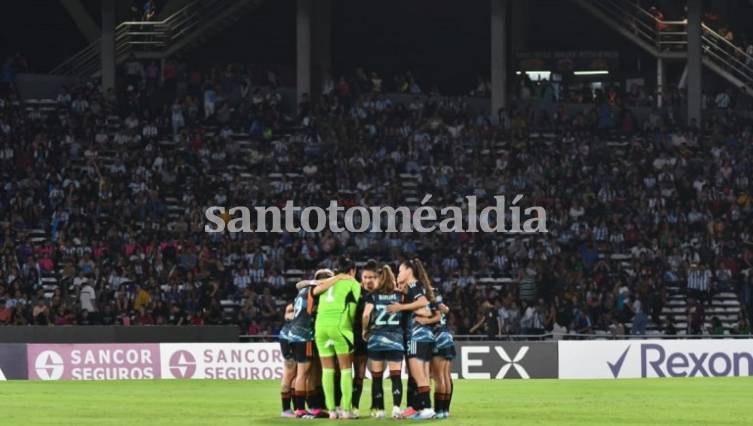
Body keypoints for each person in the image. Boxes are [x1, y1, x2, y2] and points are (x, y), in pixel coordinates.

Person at [311, 257, 362, 419]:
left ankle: (332, 410)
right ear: (352, 270)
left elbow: (313, 292)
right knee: (346, 369)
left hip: (320, 327)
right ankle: (345, 410)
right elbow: (352, 310)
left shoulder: (328, 282)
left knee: (327, 369)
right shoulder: (353, 283)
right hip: (339, 327)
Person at [387, 258, 437, 420]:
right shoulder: (411, 289)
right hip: (418, 334)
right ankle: (418, 407)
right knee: (417, 374)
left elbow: (423, 304)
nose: (398, 274)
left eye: (400, 270)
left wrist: (400, 307)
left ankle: (427, 408)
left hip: (417, 334)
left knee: (418, 373)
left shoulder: (415, 285)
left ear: (409, 271)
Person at [361, 264, 405, 419]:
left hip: (376, 340)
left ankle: (380, 410)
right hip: (396, 340)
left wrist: (364, 330)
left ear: (379, 278)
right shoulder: (400, 295)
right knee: (395, 376)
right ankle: (396, 409)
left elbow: (366, 315)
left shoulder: (373, 296)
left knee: (377, 377)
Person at [352, 260, 379, 417]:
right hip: (357, 336)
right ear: (361, 277)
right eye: (365, 276)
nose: (368, 280)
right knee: (358, 373)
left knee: (377, 373)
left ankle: (376, 407)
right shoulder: (355, 291)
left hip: (378, 336)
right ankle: (353, 406)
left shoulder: (381, 293)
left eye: (372, 277)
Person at [278, 303, 296, 418]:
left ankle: (295, 409)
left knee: (296, 375)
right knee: (289, 374)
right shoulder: (296, 304)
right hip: (291, 336)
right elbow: (288, 314)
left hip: (287, 335)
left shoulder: (296, 303)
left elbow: (287, 314)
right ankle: (286, 409)